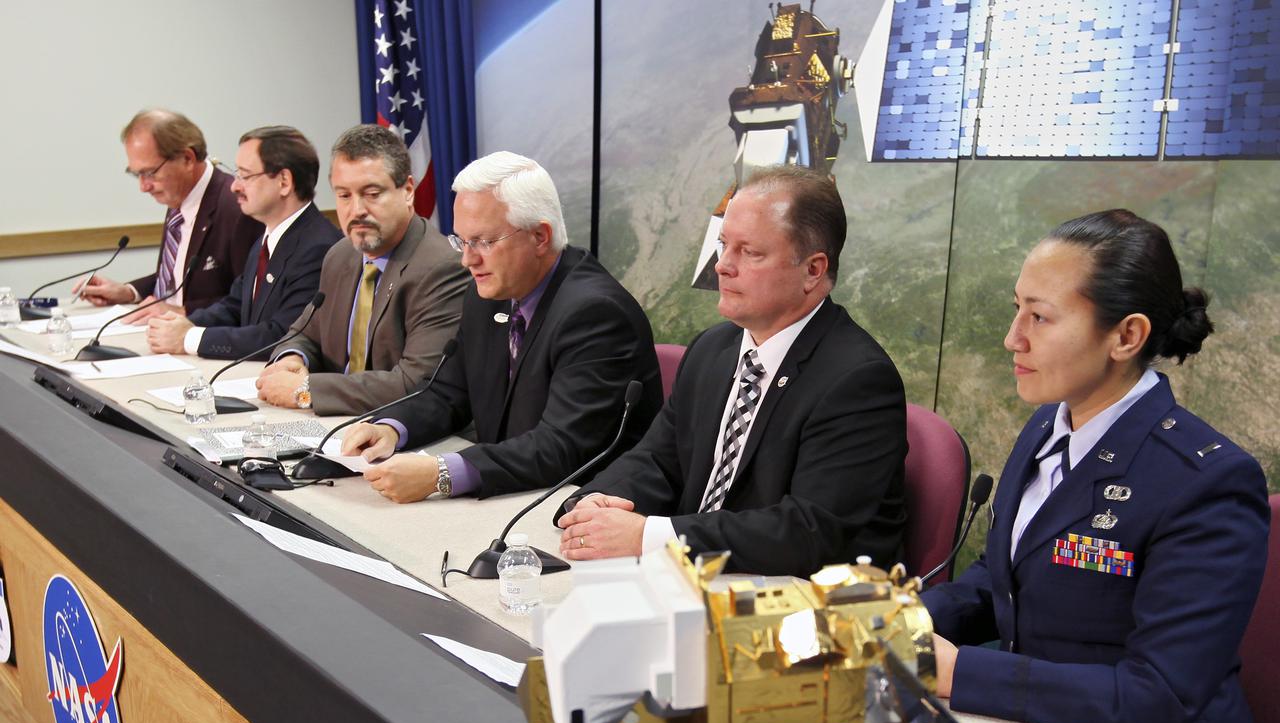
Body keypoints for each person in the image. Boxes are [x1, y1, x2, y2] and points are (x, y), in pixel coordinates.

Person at [922, 209, 1268, 723]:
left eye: (1040, 317)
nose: (1013, 339)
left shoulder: (1208, 483)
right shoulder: (1049, 424)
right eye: (1017, 309)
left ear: (1126, 336)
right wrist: (902, 620)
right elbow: (1006, 577)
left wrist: (959, 671)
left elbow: (1159, 693)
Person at [556, 166, 907, 578]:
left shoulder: (857, 380)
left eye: (750, 252)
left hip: (795, 599)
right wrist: (598, 503)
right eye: (724, 245)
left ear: (813, 270)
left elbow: (806, 533)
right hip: (694, 578)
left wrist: (649, 535)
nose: (723, 265)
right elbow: (658, 460)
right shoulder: (712, 349)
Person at [338, 151, 663, 500]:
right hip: (512, 493)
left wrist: (440, 474)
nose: (467, 259)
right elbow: (448, 393)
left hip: (578, 507)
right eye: (461, 241)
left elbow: (560, 447)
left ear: (540, 236)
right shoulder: (488, 295)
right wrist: (392, 429)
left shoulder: (596, 314)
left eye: (483, 242)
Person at [255, 125, 468, 416]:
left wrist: (306, 391)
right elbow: (304, 332)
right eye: (344, 196)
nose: (356, 210)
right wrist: (293, 358)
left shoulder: (442, 268)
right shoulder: (340, 255)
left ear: (408, 191)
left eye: (372, 194)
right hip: (333, 424)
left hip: (398, 431)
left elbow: (416, 383)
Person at [145, 126, 341, 360]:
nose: (234, 186)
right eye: (236, 174)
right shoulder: (265, 240)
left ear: (284, 182)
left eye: (245, 176)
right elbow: (235, 307)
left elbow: (284, 335)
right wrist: (181, 324)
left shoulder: (319, 248)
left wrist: (190, 338)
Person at [81, 109, 259, 324]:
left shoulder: (237, 207)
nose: (143, 187)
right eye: (137, 174)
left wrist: (183, 311)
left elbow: (251, 301)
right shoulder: (179, 195)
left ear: (187, 159)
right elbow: (178, 279)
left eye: (150, 172)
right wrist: (128, 292)